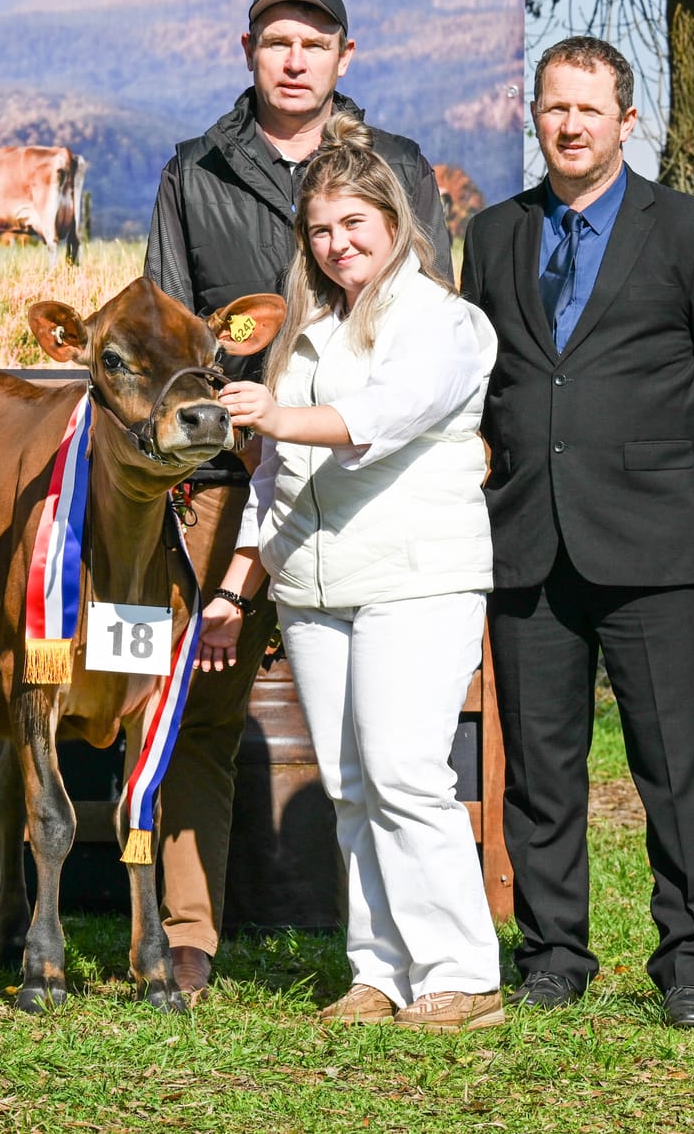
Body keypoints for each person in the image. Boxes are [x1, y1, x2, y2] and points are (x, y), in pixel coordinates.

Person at [144, 0, 452, 1001]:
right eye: (275, 42)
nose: (293, 59)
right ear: (247, 53)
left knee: (388, 747)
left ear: (342, 58)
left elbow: (433, 327)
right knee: (201, 709)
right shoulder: (194, 171)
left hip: (369, 484)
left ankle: (425, 956)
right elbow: (167, 330)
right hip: (230, 478)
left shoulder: (396, 167)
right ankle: (189, 935)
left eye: (312, 44)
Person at [461, 37, 694, 1029]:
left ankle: (689, 963)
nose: (567, 126)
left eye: (587, 110)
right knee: (541, 771)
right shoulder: (492, 236)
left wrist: (679, 487)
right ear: (534, 116)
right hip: (527, 546)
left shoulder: (685, 230)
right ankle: (553, 951)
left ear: (624, 120)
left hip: (654, 545)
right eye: (552, 108)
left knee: (673, 764)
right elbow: (483, 384)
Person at [201, 111, 504, 1031]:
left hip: (416, 578)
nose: (336, 246)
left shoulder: (447, 323)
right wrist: (233, 588)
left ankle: (462, 971)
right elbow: (274, 483)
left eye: (353, 226)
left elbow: (383, 418)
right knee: (350, 782)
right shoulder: (304, 336)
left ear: (395, 222)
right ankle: (380, 969)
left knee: (408, 769)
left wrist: (272, 414)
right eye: (320, 231)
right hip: (312, 587)